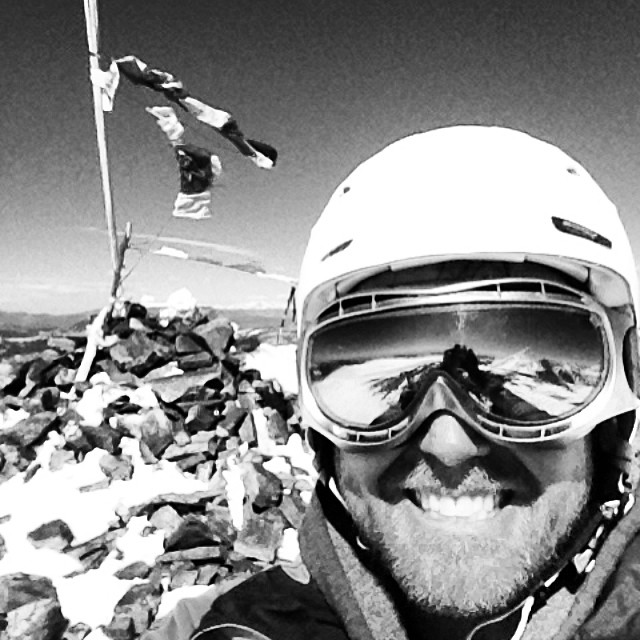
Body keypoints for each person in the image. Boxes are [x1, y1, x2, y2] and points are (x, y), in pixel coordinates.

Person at [153, 126, 640, 640]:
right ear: (322, 434)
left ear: (613, 416)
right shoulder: (218, 627)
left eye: (509, 386)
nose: (449, 445)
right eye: (389, 369)